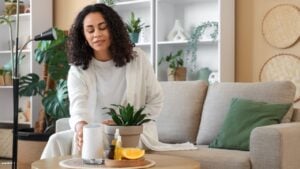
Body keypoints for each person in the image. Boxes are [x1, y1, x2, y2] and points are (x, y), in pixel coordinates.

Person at [41, 3, 195, 159]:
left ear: (113, 30)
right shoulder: (78, 69)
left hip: (133, 132)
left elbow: (156, 100)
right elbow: (78, 107)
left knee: (94, 138)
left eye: (102, 27)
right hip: (94, 130)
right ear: (84, 36)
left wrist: (126, 122)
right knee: (56, 140)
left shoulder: (137, 58)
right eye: (90, 30)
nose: (96, 34)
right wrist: (81, 126)